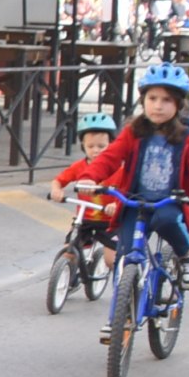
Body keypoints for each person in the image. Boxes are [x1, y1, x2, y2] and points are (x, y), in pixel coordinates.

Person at [48, 63, 189, 315]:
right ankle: (122, 313)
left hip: (168, 201)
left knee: (168, 219)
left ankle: (187, 257)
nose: (158, 105)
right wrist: (90, 178)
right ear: (143, 100)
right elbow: (109, 158)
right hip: (133, 202)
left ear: (178, 105)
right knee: (124, 256)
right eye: (152, 98)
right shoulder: (134, 132)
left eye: (166, 100)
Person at [50, 113, 121, 269]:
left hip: (109, 222)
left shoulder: (118, 169)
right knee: (69, 250)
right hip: (84, 220)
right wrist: (56, 191)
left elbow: (126, 191)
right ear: (83, 145)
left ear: (112, 145)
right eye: (90, 146)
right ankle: (68, 277)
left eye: (101, 146)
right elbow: (58, 181)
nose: (95, 151)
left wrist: (116, 205)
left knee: (112, 260)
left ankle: (122, 288)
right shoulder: (79, 167)